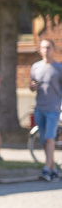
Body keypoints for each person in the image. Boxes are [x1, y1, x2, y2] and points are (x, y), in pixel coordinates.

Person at [29, 39, 62, 181]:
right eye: (43, 48)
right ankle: (54, 169)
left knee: (50, 139)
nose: (45, 50)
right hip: (40, 108)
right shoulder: (36, 67)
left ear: (53, 49)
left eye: (48, 47)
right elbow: (31, 85)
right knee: (43, 141)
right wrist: (32, 87)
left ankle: (46, 170)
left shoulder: (59, 68)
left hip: (53, 109)